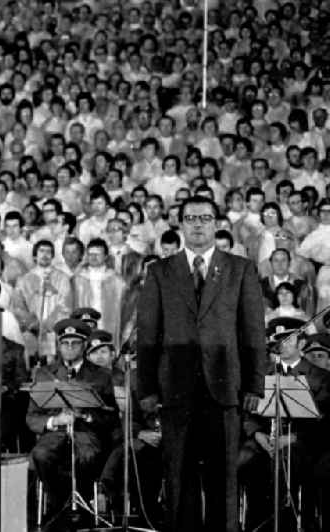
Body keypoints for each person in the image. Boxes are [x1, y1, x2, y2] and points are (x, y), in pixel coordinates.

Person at [137, 196, 267, 532]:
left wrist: (254, 385)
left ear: (216, 223)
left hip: (225, 388)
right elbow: (147, 336)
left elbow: (253, 332)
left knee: (223, 476)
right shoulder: (159, 272)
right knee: (178, 477)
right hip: (175, 390)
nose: (197, 224)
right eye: (190, 218)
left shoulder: (240, 269)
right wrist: (147, 388)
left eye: (205, 218)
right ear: (180, 224)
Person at [239, 317, 330, 531]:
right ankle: (256, 523)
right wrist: (257, 435)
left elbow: (325, 421)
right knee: (242, 461)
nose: (283, 344)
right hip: (265, 440)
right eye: (279, 340)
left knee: (289, 462)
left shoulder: (322, 377)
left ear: (301, 344)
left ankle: (291, 523)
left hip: (301, 443)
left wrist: (291, 438)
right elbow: (248, 414)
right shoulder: (262, 375)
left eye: (289, 339)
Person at [26, 318, 117, 523]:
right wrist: (55, 420)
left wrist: (86, 415)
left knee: (88, 456)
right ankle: (59, 503)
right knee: (41, 454)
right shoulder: (44, 373)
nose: (69, 348)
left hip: (87, 434)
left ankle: (82, 503)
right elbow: (31, 418)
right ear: (58, 345)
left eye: (74, 343)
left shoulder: (101, 375)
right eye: (64, 343)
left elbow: (111, 419)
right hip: (55, 433)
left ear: (84, 345)